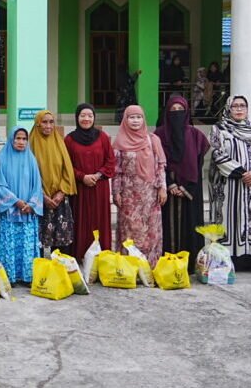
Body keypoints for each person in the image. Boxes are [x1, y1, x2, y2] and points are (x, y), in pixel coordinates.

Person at [208, 95, 251, 271]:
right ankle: (227, 259)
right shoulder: (220, 129)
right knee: (230, 220)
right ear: (228, 108)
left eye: (242, 106)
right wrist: (243, 173)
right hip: (229, 185)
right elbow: (217, 154)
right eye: (235, 106)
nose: (238, 109)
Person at [154, 96, 210, 271]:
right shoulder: (159, 135)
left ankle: (190, 264)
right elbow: (156, 162)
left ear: (186, 112)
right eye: (173, 110)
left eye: (180, 110)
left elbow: (199, 163)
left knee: (189, 224)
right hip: (166, 186)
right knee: (167, 226)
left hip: (190, 189)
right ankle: (167, 263)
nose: (176, 113)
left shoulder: (196, 135)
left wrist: (185, 186)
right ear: (166, 112)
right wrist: (170, 184)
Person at [112, 105, 168, 267]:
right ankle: (129, 267)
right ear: (125, 120)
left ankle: (150, 266)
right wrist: (116, 193)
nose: (135, 121)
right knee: (129, 230)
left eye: (139, 117)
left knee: (151, 231)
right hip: (129, 196)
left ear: (144, 119)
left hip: (150, 194)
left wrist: (162, 188)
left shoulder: (153, 140)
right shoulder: (119, 142)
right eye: (131, 117)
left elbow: (160, 166)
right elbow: (117, 171)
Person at [0, 127, 44, 284]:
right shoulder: (2, 158)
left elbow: (37, 185)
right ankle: (9, 276)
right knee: (10, 243)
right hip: (10, 210)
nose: (21, 142)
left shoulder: (31, 159)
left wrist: (32, 204)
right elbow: (0, 184)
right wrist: (17, 201)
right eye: (18, 138)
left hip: (28, 211)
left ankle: (27, 276)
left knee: (26, 243)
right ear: (11, 139)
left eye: (24, 139)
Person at [64, 103, 116, 259]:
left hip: (99, 187)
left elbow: (110, 160)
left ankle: (102, 255)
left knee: (99, 220)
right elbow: (66, 165)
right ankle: (80, 255)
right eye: (82, 115)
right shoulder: (70, 139)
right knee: (80, 220)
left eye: (90, 116)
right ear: (77, 117)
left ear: (94, 118)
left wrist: (98, 175)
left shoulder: (102, 137)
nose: (86, 119)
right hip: (79, 188)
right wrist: (82, 177)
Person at [29, 110, 77, 256]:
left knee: (60, 241)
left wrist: (61, 192)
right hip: (37, 199)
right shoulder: (30, 145)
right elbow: (28, 174)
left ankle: (60, 270)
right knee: (38, 241)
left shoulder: (59, 142)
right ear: (37, 123)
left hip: (59, 199)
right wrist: (42, 195)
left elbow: (67, 169)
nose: (48, 126)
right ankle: (41, 271)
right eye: (44, 122)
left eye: (51, 122)